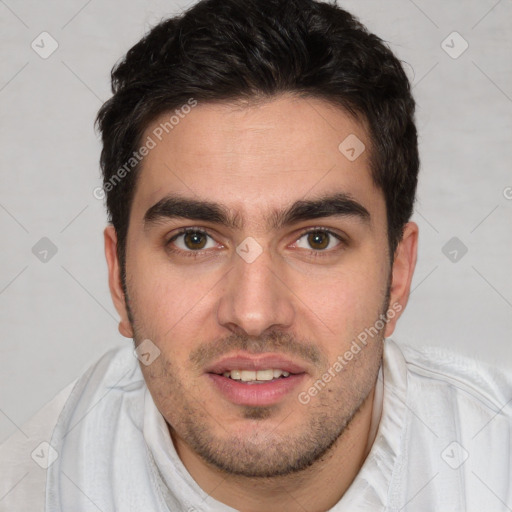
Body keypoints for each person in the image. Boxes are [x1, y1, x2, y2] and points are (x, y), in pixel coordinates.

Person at [1, 0, 511, 510]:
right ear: (118, 278)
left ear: (398, 276)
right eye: (194, 240)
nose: (253, 314)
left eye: (317, 239)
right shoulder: (33, 484)